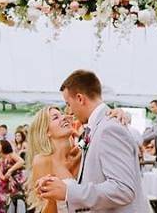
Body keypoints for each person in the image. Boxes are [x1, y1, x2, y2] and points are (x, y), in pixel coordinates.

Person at [35, 69, 149, 213]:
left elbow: (123, 189)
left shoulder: (109, 128)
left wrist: (69, 191)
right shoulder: (99, 127)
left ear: (80, 99)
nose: (69, 112)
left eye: (68, 104)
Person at [26, 106, 82, 213]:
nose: (64, 118)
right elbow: (43, 209)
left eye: (62, 114)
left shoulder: (79, 154)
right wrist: (51, 199)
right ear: (46, 131)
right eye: (56, 118)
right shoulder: (42, 160)